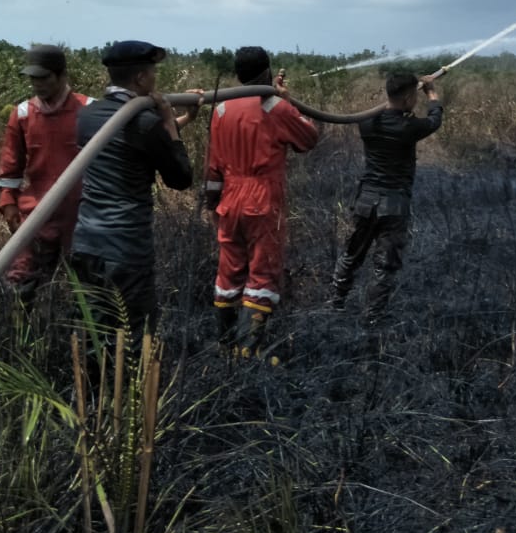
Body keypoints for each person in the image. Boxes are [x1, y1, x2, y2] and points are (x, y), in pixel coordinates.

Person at [70, 40, 198, 350]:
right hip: (125, 248)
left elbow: (132, 144)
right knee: (132, 334)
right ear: (140, 78)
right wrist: (168, 124)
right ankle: (129, 382)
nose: (156, 78)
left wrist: (179, 121)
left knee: (93, 330)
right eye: (152, 72)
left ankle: (91, 380)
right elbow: (181, 178)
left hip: (86, 244)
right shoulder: (146, 122)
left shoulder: (87, 116)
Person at [205, 46, 320, 356]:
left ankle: (225, 346)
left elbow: (212, 167)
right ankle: (247, 353)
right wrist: (288, 101)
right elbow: (309, 138)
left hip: (228, 201)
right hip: (262, 201)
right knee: (262, 274)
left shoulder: (221, 110)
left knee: (229, 272)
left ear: (238, 75)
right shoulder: (276, 108)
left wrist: (211, 204)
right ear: (267, 71)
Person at [330, 72, 443, 326]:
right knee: (385, 265)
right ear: (408, 97)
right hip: (394, 205)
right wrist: (432, 93)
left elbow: (387, 112)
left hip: (365, 201)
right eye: (413, 97)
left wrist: (397, 103)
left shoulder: (366, 122)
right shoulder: (409, 127)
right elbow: (434, 120)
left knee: (351, 255)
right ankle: (373, 317)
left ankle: (335, 304)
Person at [0, 44, 94, 305]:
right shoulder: (23, 114)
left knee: (89, 287)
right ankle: (22, 330)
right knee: (21, 284)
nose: (37, 84)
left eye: (44, 78)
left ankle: (81, 330)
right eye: (33, 79)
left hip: (82, 214)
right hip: (37, 213)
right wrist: (8, 202)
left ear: (62, 76)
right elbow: (10, 166)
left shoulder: (89, 110)